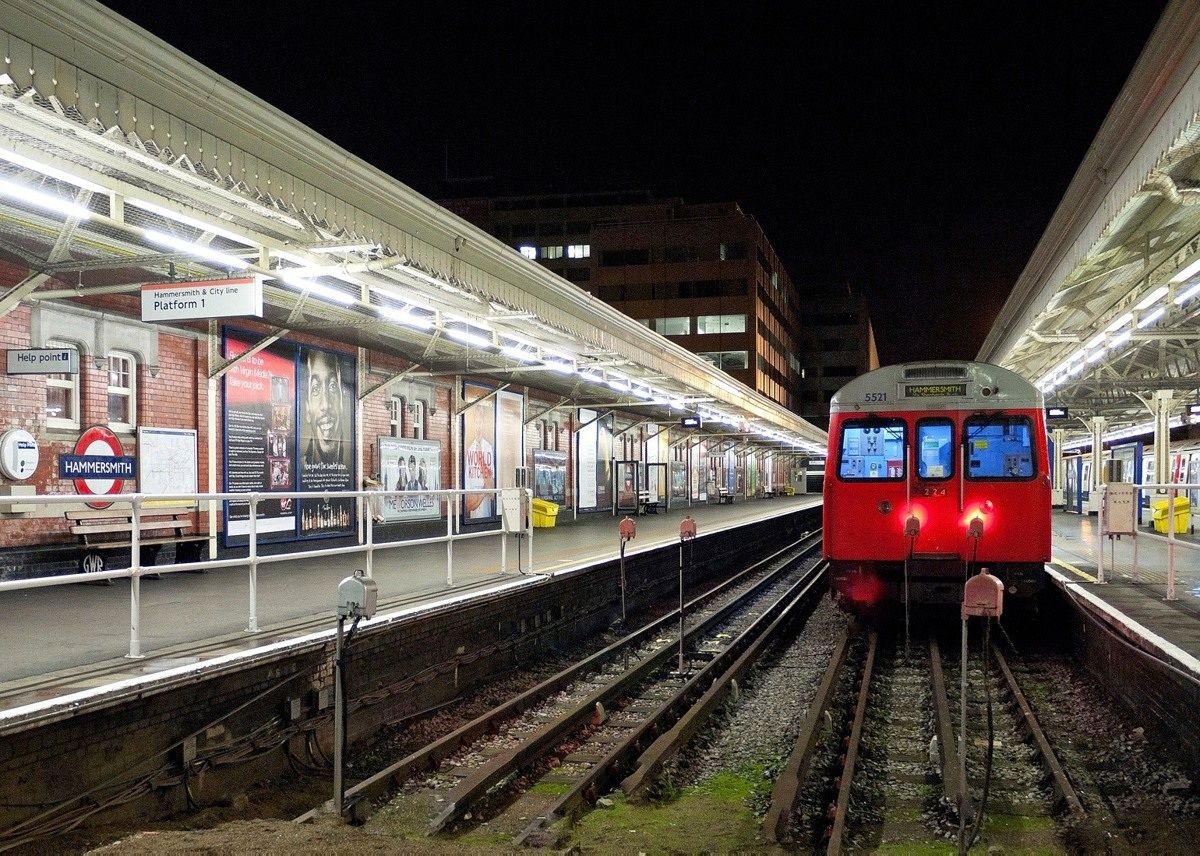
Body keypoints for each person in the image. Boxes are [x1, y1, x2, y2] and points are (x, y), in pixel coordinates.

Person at [302, 349, 348, 467]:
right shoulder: (297, 471)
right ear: (307, 409)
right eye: (315, 389)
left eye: (332, 386)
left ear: (342, 403)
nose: (326, 405)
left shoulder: (352, 469)